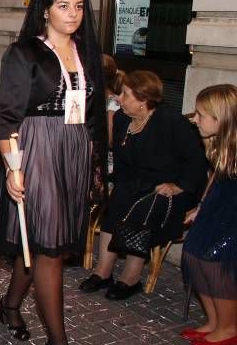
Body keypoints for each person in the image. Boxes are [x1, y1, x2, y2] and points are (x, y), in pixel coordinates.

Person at [0, 0, 108, 345]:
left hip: (72, 153)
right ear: (45, 9)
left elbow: (92, 117)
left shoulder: (87, 54)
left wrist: (92, 164)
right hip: (35, 152)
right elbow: (7, 119)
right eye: (62, 6)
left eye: (77, 7)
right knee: (50, 251)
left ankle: (10, 304)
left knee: (40, 242)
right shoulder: (25, 53)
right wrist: (13, 169)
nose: (71, 15)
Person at [78, 70, 208, 300]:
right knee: (117, 199)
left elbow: (197, 160)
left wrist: (179, 186)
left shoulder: (170, 121)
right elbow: (121, 163)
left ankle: (131, 278)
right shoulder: (121, 119)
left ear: (143, 100)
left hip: (167, 188)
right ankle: (103, 272)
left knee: (140, 207)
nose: (119, 98)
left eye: (126, 94)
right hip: (134, 183)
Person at [182, 84, 237, 345]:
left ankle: (228, 327)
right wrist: (202, 204)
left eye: (201, 114)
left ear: (221, 119)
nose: (195, 119)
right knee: (192, 254)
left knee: (216, 261)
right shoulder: (217, 141)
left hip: (233, 209)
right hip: (218, 201)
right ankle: (214, 320)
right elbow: (215, 175)